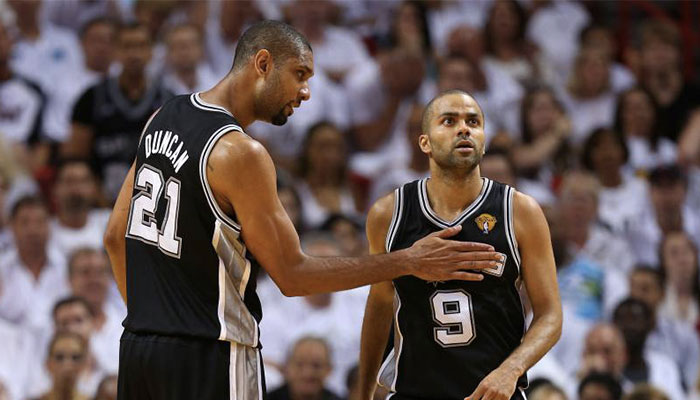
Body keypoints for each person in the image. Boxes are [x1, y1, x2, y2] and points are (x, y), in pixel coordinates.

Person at [104, 21, 501, 400]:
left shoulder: (162, 117)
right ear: (263, 64)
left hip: (138, 348)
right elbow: (294, 276)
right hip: (212, 352)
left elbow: (114, 235)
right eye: (300, 74)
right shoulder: (241, 152)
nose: (306, 91)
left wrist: (152, 322)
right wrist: (408, 261)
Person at [357, 90, 562, 399]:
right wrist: (361, 393)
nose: (464, 128)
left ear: (483, 137)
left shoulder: (521, 211)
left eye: (473, 122)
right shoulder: (388, 214)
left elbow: (550, 315)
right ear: (424, 142)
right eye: (449, 121)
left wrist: (511, 369)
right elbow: (380, 304)